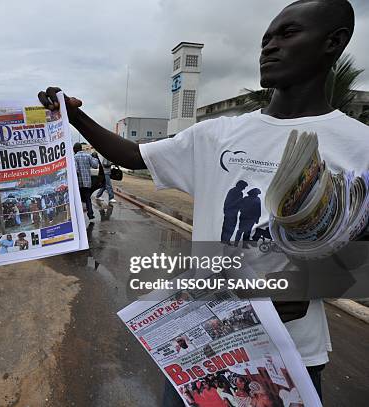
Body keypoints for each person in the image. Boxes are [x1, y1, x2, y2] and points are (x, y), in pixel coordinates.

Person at [39, 0, 365, 400]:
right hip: (201, 344)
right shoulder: (218, 135)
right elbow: (133, 156)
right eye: (265, 39)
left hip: (290, 351)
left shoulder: (359, 146)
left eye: (288, 33)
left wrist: (309, 283)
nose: (269, 47)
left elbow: (360, 251)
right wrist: (74, 117)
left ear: (334, 42)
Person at [73, 143, 99, 219]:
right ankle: (90, 214)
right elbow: (95, 165)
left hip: (79, 182)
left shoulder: (75, 157)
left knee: (78, 200)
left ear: (75, 149)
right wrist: (95, 158)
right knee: (88, 198)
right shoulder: (88, 156)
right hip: (87, 182)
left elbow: (76, 169)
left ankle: (78, 217)